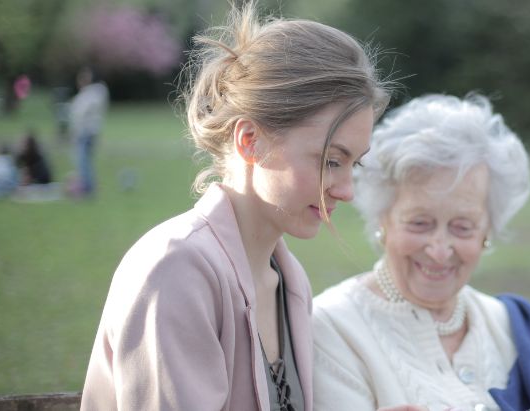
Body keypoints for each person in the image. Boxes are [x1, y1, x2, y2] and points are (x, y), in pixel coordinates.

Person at [80, 3, 390, 410]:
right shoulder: (175, 271)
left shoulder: (289, 280)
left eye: (355, 162)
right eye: (331, 160)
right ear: (250, 141)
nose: (347, 190)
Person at [311, 94, 530, 411]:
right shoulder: (332, 329)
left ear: (487, 231)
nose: (439, 250)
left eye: (462, 227)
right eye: (420, 223)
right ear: (384, 219)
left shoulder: (515, 328)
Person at [67, 66, 108, 197]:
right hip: (88, 132)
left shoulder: (93, 94)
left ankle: (87, 188)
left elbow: (80, 113)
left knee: (83, 161)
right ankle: (87, 186)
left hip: (86, 132)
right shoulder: (92, 93)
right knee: (84, 161)